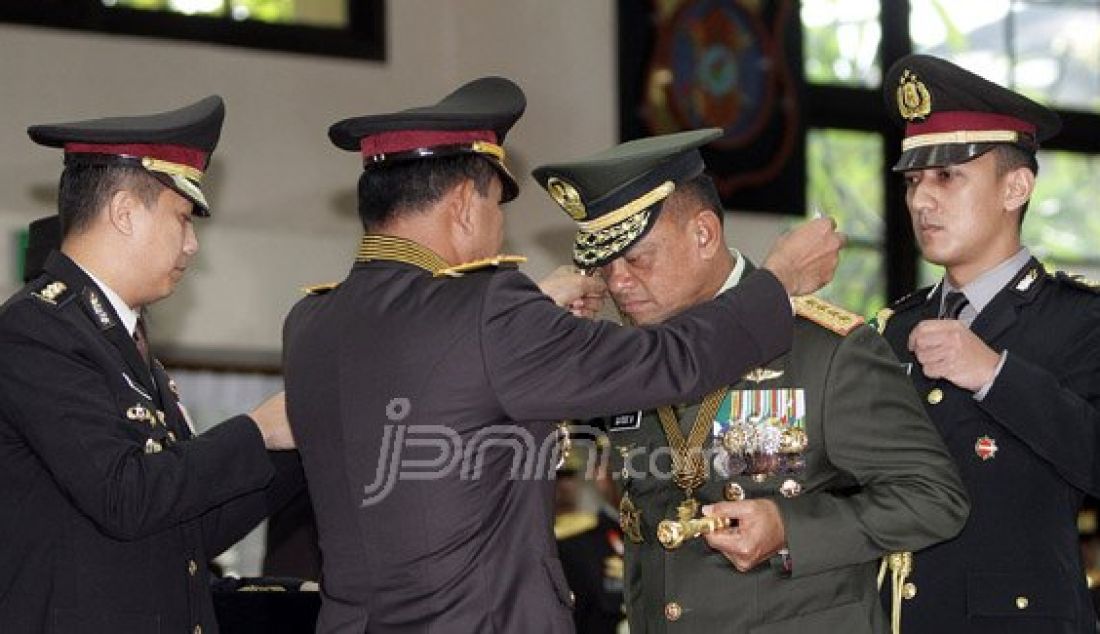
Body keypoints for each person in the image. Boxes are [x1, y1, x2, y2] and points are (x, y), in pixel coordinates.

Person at [282, 76, 844, 633]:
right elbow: (668, 360)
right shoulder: (489, 310)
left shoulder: (311, 323)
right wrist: (778, 281)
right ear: (462, 206)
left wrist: (533, 319)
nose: (500, 229)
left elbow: (437, 372)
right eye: (498, 206)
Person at [532, 128, 970, 633]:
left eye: (636, 259)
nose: (617, 283)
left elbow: (935, 497)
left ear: (704, 234)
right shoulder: (630, 359)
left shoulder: (824, 350)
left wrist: (791, 529)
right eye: (604, 267)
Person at [0, 96, 303, 634]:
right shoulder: (34, 330)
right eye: (183, 218)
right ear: (123, 211)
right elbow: (126, 495)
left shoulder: (122, 341)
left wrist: (294, 448)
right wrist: (256, 430)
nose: (191, 246)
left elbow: (189, 531)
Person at [874, 53, 1100, 633]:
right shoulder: (891, 329)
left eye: (947, 176)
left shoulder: (1080, 322)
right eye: (913, 180)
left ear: (1015, 186)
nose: (921, 200)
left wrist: (997, 375)